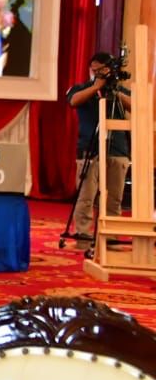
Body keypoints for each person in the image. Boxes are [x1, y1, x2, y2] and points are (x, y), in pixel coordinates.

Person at [65, 52, 132, 247]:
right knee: (86, 196)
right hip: (90, 149)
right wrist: (96, 87)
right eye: (93, 70)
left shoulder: (120, 90)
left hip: (117, 150)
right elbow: (73, 101)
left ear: (110, 70)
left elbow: (137, 107)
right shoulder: (82, 88)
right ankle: (83, 235)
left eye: (101, 70)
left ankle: (110, 236)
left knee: (114, 198)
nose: (97, 74)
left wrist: (115, 92)